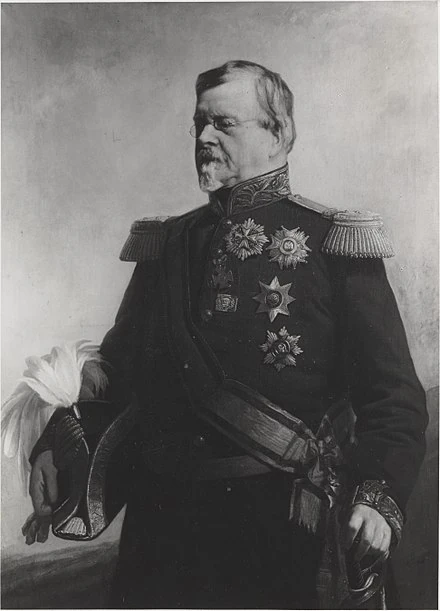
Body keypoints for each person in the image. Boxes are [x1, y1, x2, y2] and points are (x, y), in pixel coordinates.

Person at [26, 60, 427, 609]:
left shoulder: (333, 243)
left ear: (278, 133)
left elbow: (393, 400)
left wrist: (377, 499)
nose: (204, 138)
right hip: (163, 533)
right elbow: (119, 378)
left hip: (281, 532)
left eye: (224, 124)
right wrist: (57, 445)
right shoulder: (166, 245)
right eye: (199, 124)